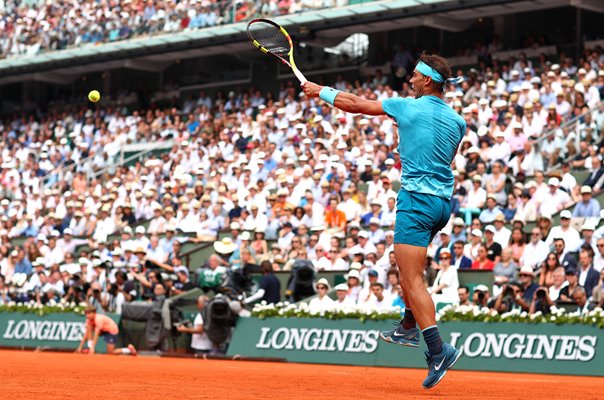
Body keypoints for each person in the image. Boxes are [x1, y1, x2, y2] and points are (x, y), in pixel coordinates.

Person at [303, 52, 465, 388]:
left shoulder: (407, 105)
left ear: (429, 81)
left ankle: (438, 350)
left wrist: (321, 91)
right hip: (441, 206)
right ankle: (407, 325)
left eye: (415, 77)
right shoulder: (457, 121)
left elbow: (355, 103)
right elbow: (434, 146)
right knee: (410, 272)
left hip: (416, 201)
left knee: (411, 279)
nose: (410, 81)